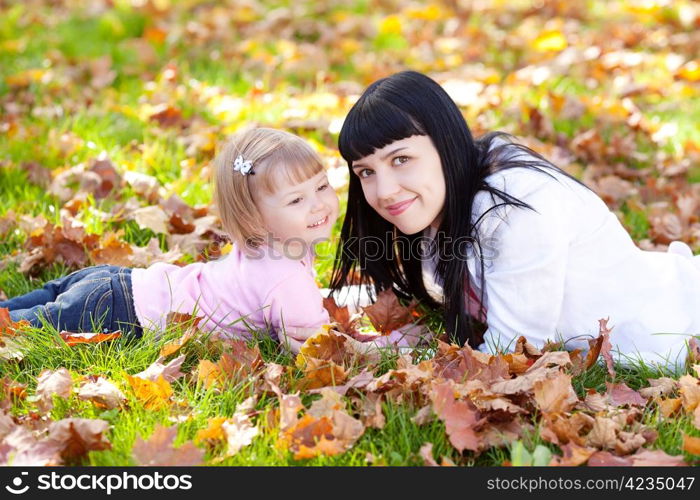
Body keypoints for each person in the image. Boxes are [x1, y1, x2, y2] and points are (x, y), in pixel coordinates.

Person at [328, 70, 700, 370]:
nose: (385, 191)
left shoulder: (518, 205)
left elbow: (513, 352)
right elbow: (423, 298)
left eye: (400, 160)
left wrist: (380, 359)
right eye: (365, 172)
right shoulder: (439, 208)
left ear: (445, 143)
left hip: (678, 319)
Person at [1, 128, 342, 354]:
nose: (319, 204)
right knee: (19, 328)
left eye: (322, 186)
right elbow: (316, 345)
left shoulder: (261, 245)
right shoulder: (286, 276)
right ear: (253, 217)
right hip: (119, 312)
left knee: (33, 305)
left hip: (117, 282)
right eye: (296, 200)